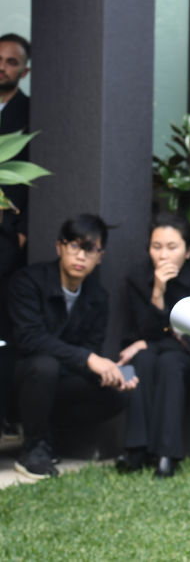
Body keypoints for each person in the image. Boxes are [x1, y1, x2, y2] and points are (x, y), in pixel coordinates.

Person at [8, 214, 137, 480]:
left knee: (115, 394)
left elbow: (87, 352)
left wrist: (111, 374)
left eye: (90, 249)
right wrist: (89, 359)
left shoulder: (97, 297)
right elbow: (29, 339)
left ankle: (48, 435)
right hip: (16, 379)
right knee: (45, 365)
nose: (81, 256)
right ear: (60, 247)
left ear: (100, 256)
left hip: (58, 379)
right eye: (74, 246)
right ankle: (32, 451)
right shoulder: (28, 281)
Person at [116, 213, 190, 477]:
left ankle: (167, 454)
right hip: (155, 354)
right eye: (156, 247)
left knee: (168, 361)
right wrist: (157, 292)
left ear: (188, 250)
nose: (163, 255)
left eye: (172, 247)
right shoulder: (138, 277)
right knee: (142, 361)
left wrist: (147, 343)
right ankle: (135, 449)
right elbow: (138, 331)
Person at [0, 33, 32, 431]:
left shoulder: (31, 113)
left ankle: (6, 416)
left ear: (24, 70)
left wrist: (23, 229)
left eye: (10, 61)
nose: (2, 66)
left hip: (7, 236)